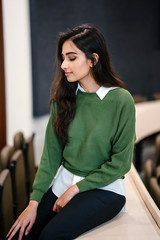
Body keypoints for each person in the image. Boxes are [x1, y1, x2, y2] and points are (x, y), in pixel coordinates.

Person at [7, 23, 136, 240]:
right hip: (65, 181)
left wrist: (75, 190)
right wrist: (33, 203)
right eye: (63, 58)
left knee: (51, 236)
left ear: (93, 59)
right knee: (19, 236)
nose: (64, 64)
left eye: (72, 58)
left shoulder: (121, 100)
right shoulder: (63, 99)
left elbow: (120, 164)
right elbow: (50, 157)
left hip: (105, 189)